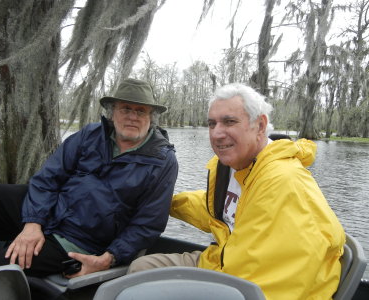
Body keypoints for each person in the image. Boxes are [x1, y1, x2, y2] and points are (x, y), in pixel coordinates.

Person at [128, 82, 345, 300]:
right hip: (222, 262)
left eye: (229, 122)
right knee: (141, 270)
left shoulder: (283, 183)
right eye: (212, 124)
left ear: (260, 125)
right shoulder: (234, 167)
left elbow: (277, 283)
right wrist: (164, 202)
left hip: (245, 284)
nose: (217, 133)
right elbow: (215, 210)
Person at [0, 78, 178, 278]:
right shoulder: (91, 134)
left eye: (140, 111)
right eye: (126, 109)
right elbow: (48, 178)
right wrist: (33, 223)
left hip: (79, 240)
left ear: (151, 118)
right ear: (112, 113)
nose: (132, 116)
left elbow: (147, 225)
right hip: (52, 209)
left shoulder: (163, 161)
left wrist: (109, 258)